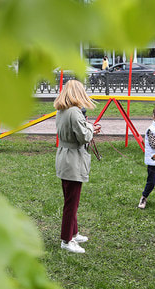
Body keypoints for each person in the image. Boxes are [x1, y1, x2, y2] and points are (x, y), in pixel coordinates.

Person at [54, 80, 101, 253]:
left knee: (71, 198)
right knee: (71, 202)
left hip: (64, 156)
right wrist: (91, 128)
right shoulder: (74, 112)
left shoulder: (62, 110)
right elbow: (84, 137)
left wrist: (87, 127)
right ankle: (67, 240)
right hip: (72, 159)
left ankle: (73, 232)